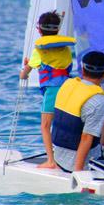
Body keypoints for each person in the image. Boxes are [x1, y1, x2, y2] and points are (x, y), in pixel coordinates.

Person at [19, 11, 76, 169]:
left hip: (53, 90)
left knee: (45, 126)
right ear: (57, 30)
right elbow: (56, 64)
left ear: (39, 29)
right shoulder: (65, 48)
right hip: (68, 87)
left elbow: (26, 73)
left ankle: (51, 161)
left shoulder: (39, 50)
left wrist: (23, 71)